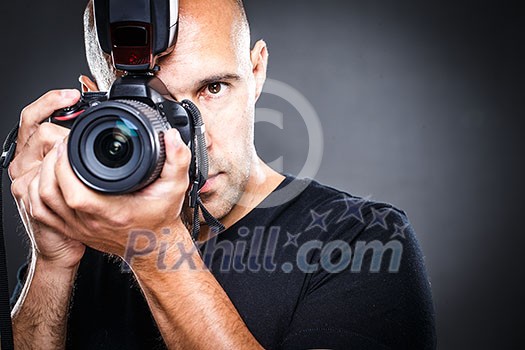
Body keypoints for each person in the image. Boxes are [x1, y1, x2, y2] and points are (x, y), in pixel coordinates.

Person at [7, 0, 436, 348]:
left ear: (256, 72)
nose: (194, 140)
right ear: (94, 101)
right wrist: (52, 262)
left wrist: (154, 248)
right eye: (153, 106)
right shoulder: (85, 229)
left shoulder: (362, 239)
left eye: (213, 88)